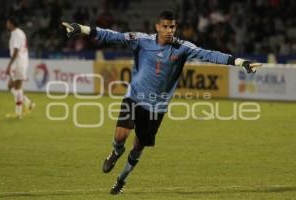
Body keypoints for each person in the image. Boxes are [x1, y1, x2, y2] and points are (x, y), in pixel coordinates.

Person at [62, 11, 261, 195]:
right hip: (135, 97)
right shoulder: (141, 40)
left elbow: (209, 54)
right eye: (165, 26)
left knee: (138, 147)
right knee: (120, 136)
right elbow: (113, 35)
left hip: (157, 107)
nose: (169, 31)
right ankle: (115, 151)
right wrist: (82, 29)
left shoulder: (183, 48)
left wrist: (239, 62)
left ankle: (121, 179)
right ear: (157, 27)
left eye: (173, 27)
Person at [6, 17, 35, 119]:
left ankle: (19, 113)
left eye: (8, 22)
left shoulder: (16, 33)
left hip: (19, 62)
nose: (6, 24)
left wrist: (10, 64)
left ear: (11, 23)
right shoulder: (19, 32)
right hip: (20, 62)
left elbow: (16, 50)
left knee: (17, 87)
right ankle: (29, 103)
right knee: (11, 86)